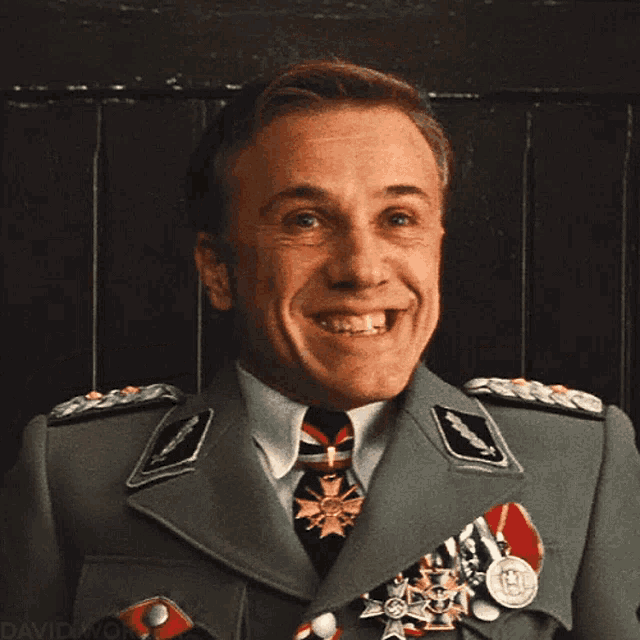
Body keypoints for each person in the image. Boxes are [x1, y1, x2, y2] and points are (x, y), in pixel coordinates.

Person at [1, 60, 639, 640]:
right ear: (218, 269)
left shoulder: (576, 464)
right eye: (305, 220)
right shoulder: (75, 472)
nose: (362, 269)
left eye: (399, 219)